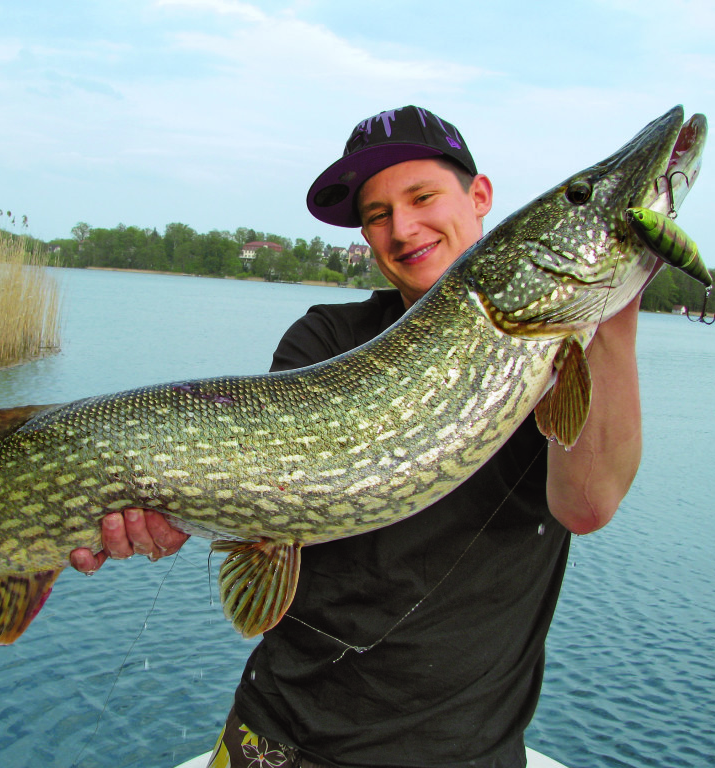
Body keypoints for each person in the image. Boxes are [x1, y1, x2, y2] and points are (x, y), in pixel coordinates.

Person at [70, 105, 646, 767]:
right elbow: (258, 504)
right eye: (377, 215)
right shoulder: (324, 341)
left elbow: (587, 505)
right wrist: (174, 511)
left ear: (480, 196)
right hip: (279, 739)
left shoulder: (556, 361)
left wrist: (616, 317)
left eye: (422, 196)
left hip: (470, 754)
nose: (403, 228)